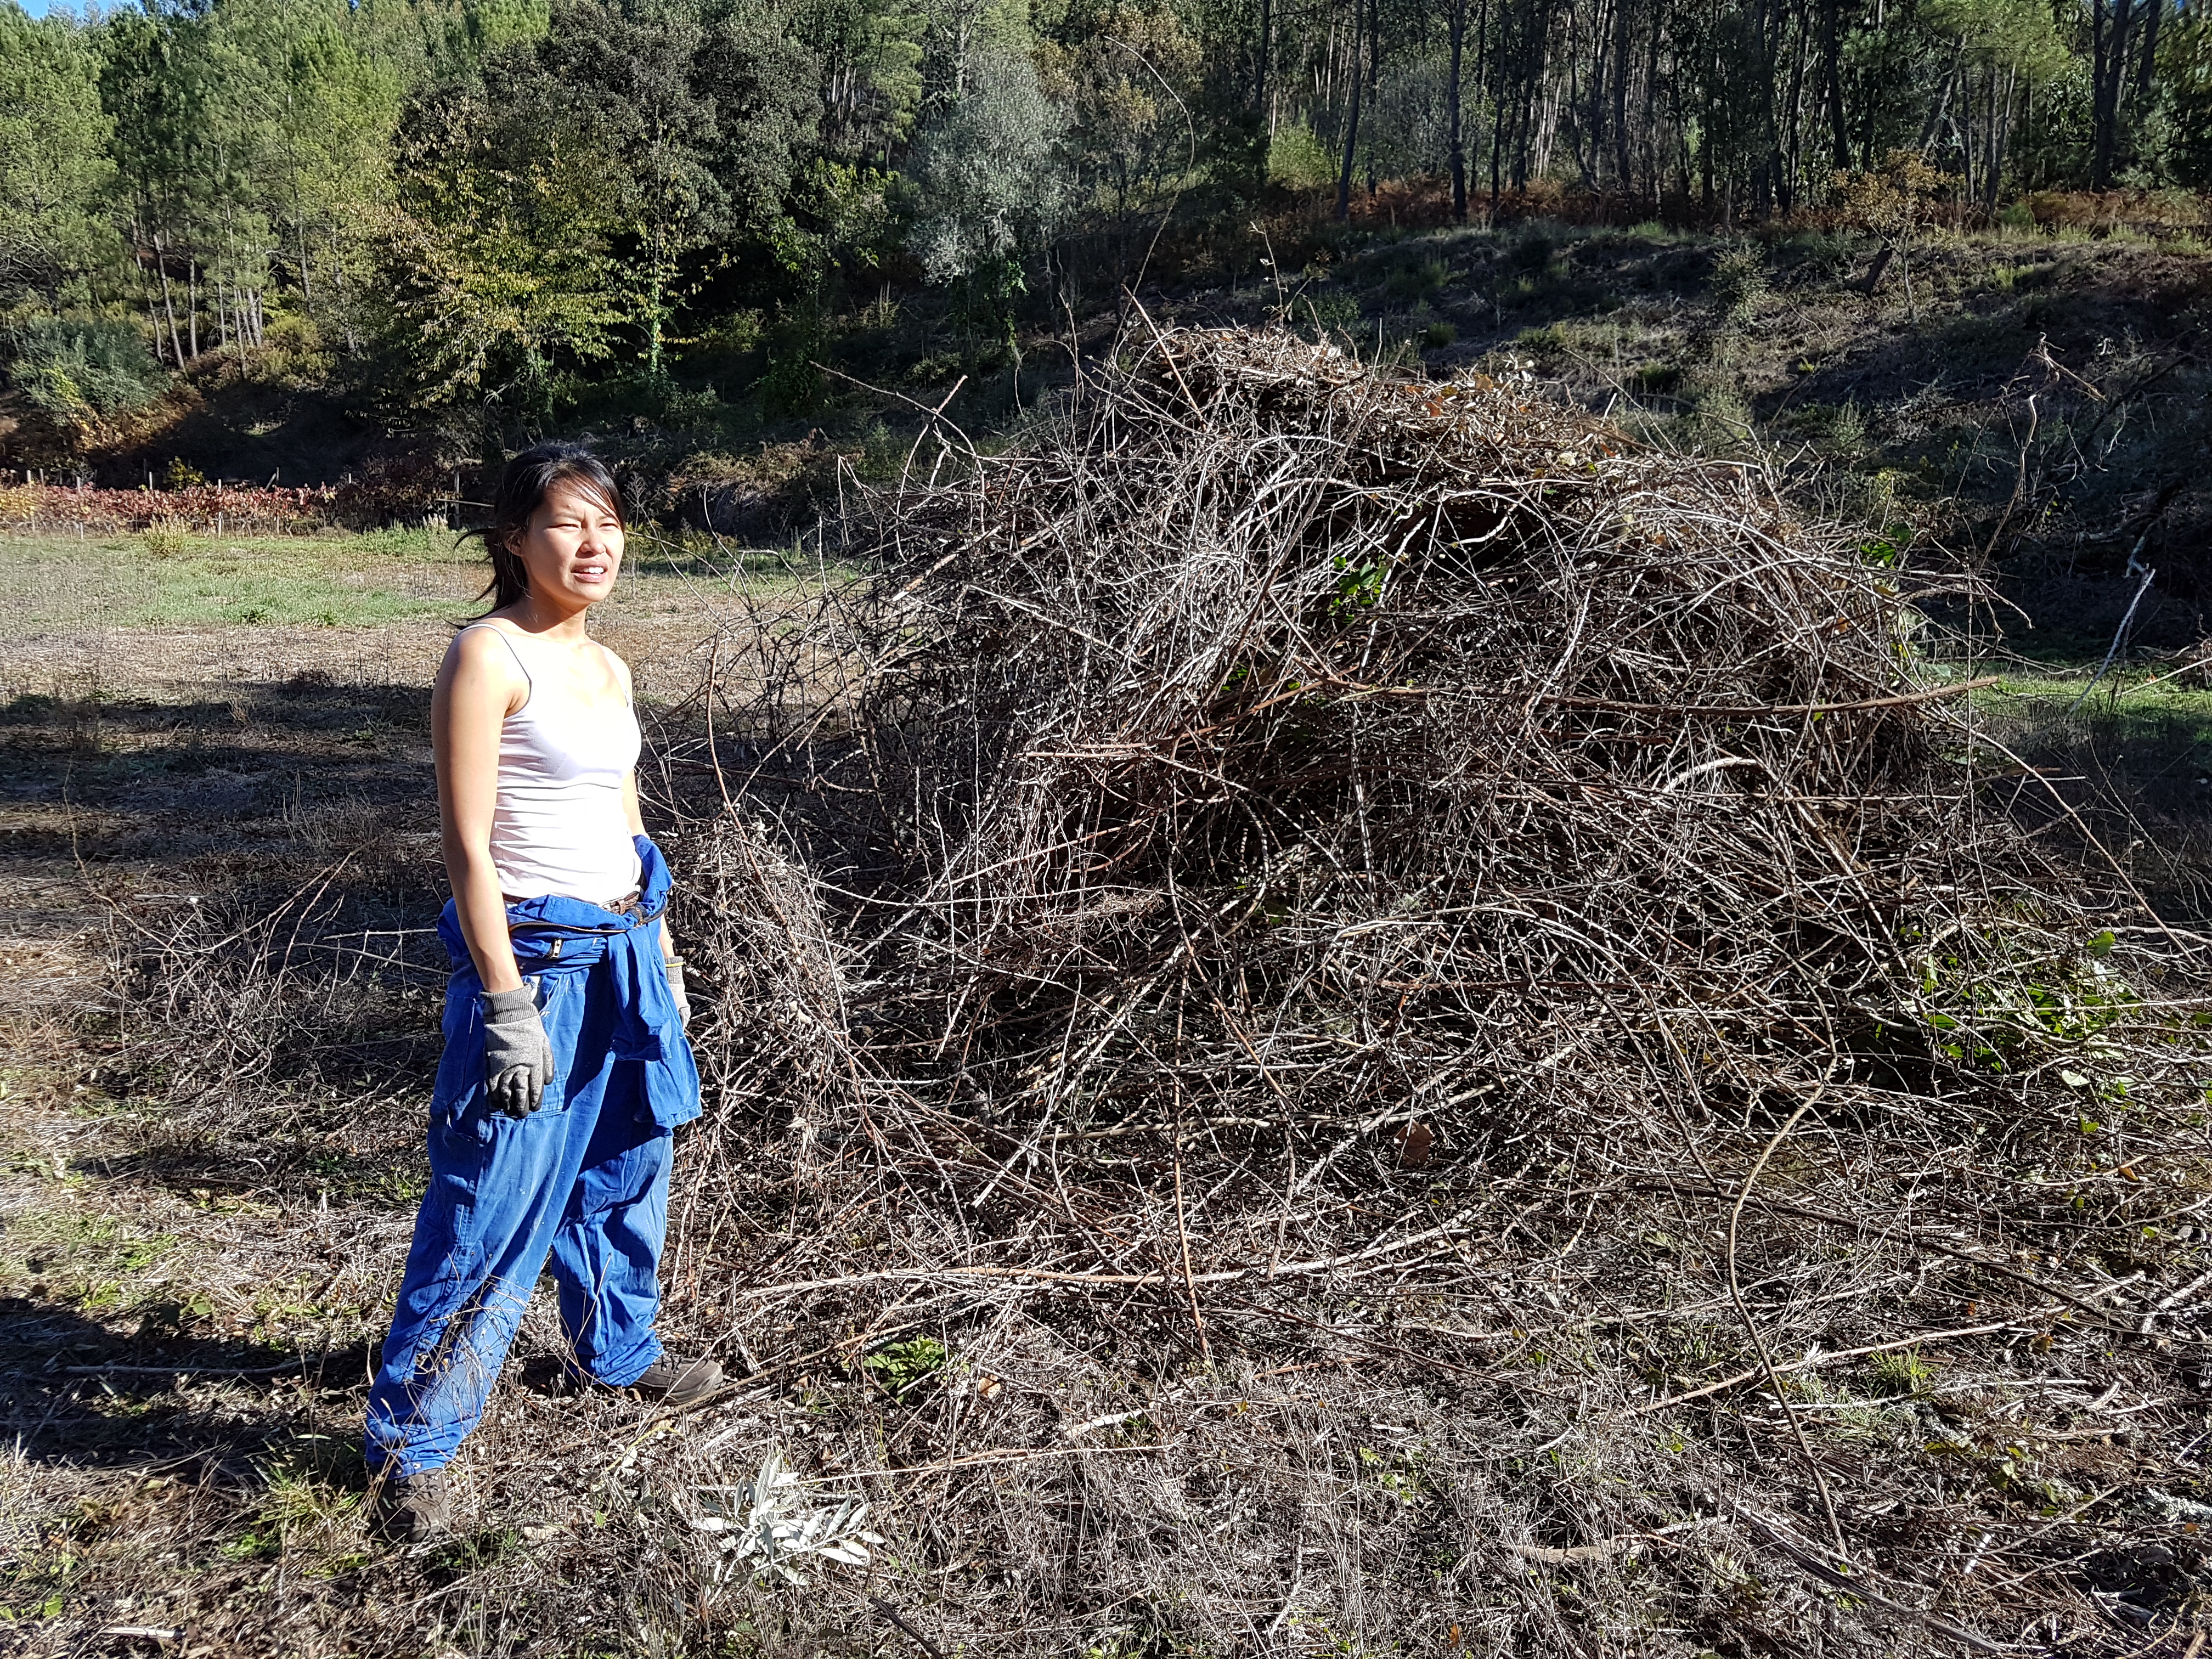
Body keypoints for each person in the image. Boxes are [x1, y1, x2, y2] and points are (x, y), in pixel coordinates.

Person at [364, 442, 722, 1542]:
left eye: (608, 522)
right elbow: (469, 849)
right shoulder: (488, 657)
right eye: (568, 523)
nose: (594, 543)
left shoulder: (609, 670)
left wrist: (661, 953)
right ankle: (410, 1448)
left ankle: (618, 1351)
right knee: (491, 1205)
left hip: (622, 953)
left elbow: (628, 823)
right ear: (514, 540)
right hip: (540, 968)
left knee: (626, 1165)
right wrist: (506, 1005)